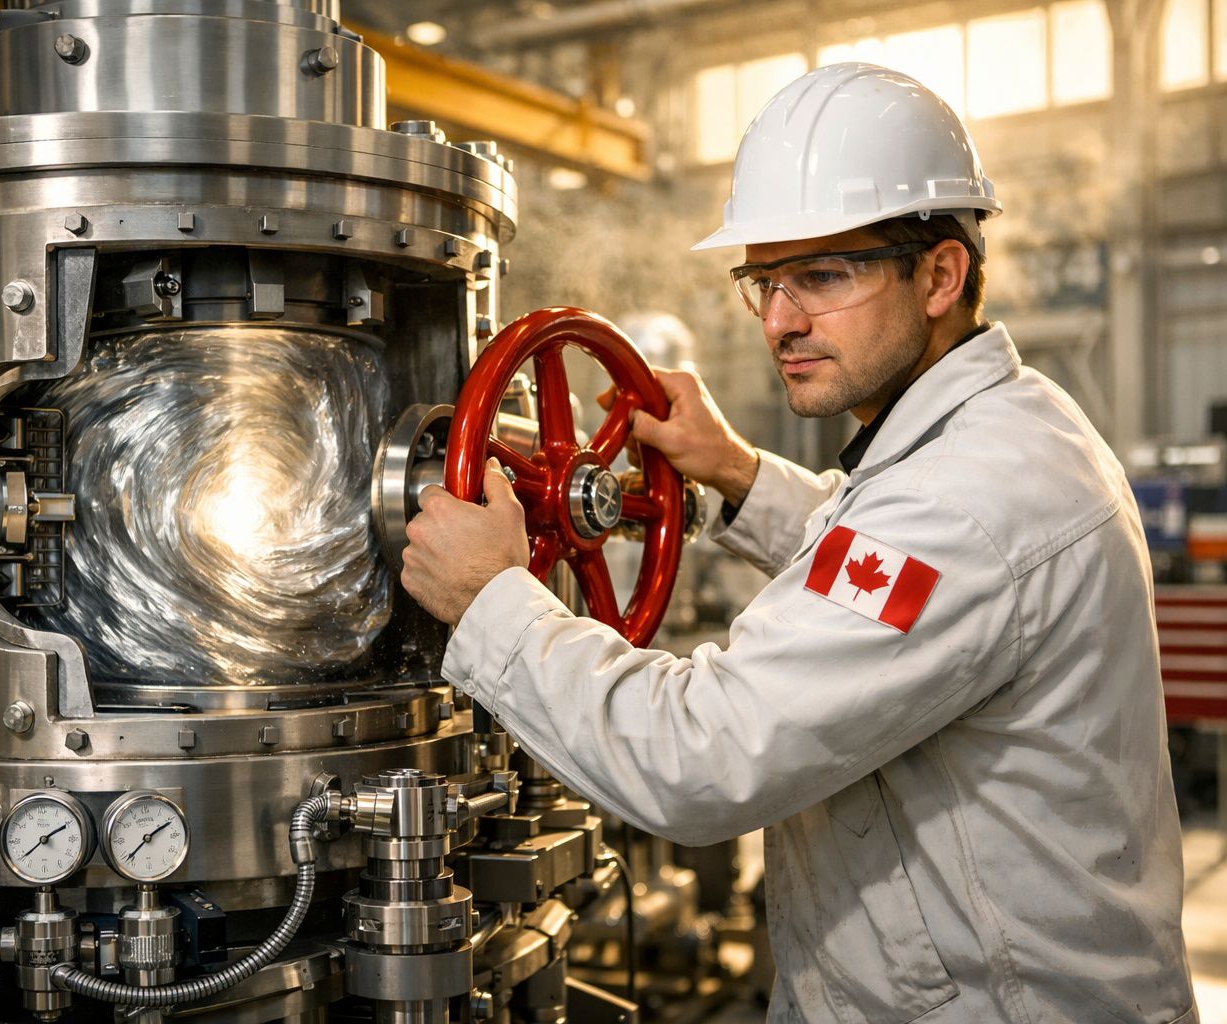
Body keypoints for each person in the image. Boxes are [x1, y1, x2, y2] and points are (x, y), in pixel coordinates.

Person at [400, 63, 1197, 1023]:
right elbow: (875, 561)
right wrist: (735, 474)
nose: (780, 321)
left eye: (822, 276)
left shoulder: (967, 501)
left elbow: (699, 758)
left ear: (940, 274)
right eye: (764, 281)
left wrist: (493, 601)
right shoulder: (1002, 431)